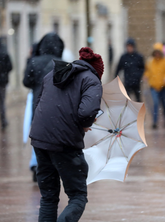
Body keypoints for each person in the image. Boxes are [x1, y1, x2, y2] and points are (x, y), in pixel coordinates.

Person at [30, 47, 104, 222]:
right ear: (97, 70)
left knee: (48, 197)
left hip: (40, 139)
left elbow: (39, 104)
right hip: (64, 143)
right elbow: (86, 112)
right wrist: (86, 124)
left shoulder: (53, 74)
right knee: (77, 196)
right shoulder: (92, 80)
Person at [23, 32, 64, 181]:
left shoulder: (34, 62)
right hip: (56, 107)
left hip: (38, 105)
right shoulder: (62, 63)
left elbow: (26, 82)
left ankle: (37, 165)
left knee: (38, 137)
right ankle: (52, 167)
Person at [143, 42, 165, 129]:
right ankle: (154, 122)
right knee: (155, 103)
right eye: (156, 52)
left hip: (163, 87)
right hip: (153, 86)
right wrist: (146, 76)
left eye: (158, 52)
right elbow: (148, 71)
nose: (157, 54)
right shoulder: (150, 61)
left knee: (164, 104)